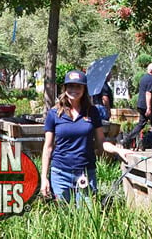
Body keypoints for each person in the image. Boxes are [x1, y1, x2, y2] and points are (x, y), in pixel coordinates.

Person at [40, 69, 104, 203]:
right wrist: (44, 178)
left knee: (88, 216)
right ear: (65, 88)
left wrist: (119, 150)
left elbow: (101, 142)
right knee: (63, 218)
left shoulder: (92, 112)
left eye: (78, 86)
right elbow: (48, 147)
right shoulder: (54, 113)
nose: (74, 89)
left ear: (84, 89)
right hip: (60, 174)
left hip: (86, 173)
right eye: (71, 86)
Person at [121, 63, 152, 148]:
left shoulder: (143, 78)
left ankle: (128, 138)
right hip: (146, 105)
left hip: (140, 104)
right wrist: (149, 108)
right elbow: (148, 93)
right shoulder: (151, 79)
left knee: (141, 123)